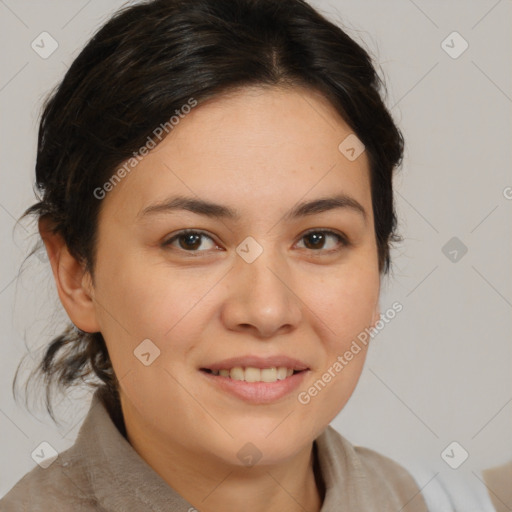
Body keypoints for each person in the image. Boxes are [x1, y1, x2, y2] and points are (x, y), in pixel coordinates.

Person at [1, 0, 432, 510]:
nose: (268, 311)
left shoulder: (421, 499)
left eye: (318, 239)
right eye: (192, 240)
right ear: (76, 273)